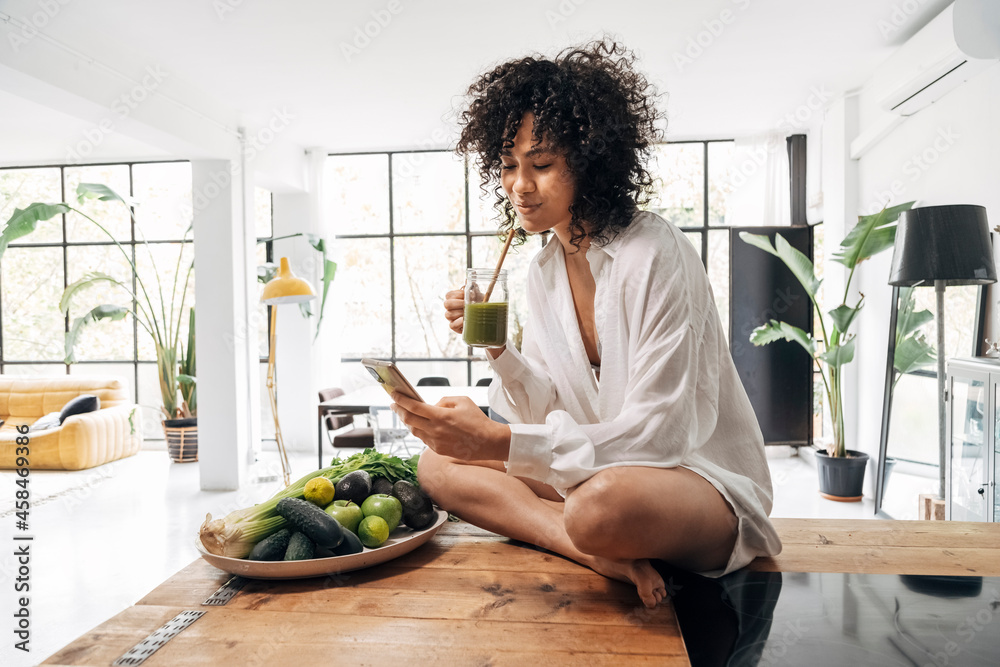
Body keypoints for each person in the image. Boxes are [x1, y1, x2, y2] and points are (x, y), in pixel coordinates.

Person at [390, 40, 781, 609]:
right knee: (437, 463)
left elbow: (660, 435)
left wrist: (498, 440)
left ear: (591, 160)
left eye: (541, 165)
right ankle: (586, 549)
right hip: (597, 469)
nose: (519, 185)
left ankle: (589, 532)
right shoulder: (543, 272)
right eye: (507, 166)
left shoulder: (655, 253)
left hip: (690, 479)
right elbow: (550, 407)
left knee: (599, 508)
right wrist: (499, 350)